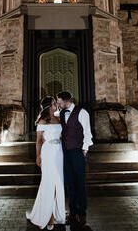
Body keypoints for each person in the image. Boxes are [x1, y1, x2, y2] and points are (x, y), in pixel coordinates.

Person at [26, 96, 66, 230]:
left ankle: (57, 212)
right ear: (49, 106)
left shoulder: (58, 118)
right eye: (55, 103)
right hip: (48, 152)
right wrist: (38, 156)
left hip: (59, 152)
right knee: (49, 182)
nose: (57, 104)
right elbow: (38, 141)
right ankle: (48, 217)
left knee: (58, 182)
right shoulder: (42, 121)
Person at [56, 91, 93, 229]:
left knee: (80, 183)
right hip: (66, 153)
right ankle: (72, 212)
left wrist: (84, 150)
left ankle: (81, 213)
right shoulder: (60, 113)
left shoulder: (82, 112)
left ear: (67, 101)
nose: (58, 104)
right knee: (70, 183)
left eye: (59, 101)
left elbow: (87, 133)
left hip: (78, 152)